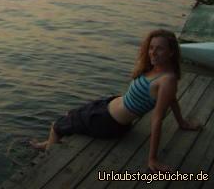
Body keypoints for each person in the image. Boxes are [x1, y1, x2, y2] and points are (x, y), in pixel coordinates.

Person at [29, 29, 202, 172]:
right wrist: (182, 122)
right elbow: (172, 99)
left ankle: (46, 163)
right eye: (151, 48)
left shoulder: (167, 80)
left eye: (160, 49)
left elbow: (157, 119)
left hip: (108, 122)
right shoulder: (156, 69)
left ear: (171, 52)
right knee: (70, 115)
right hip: (108, 106)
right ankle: (48, 144)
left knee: (57, 126)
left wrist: (153, 159)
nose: (153, 53)